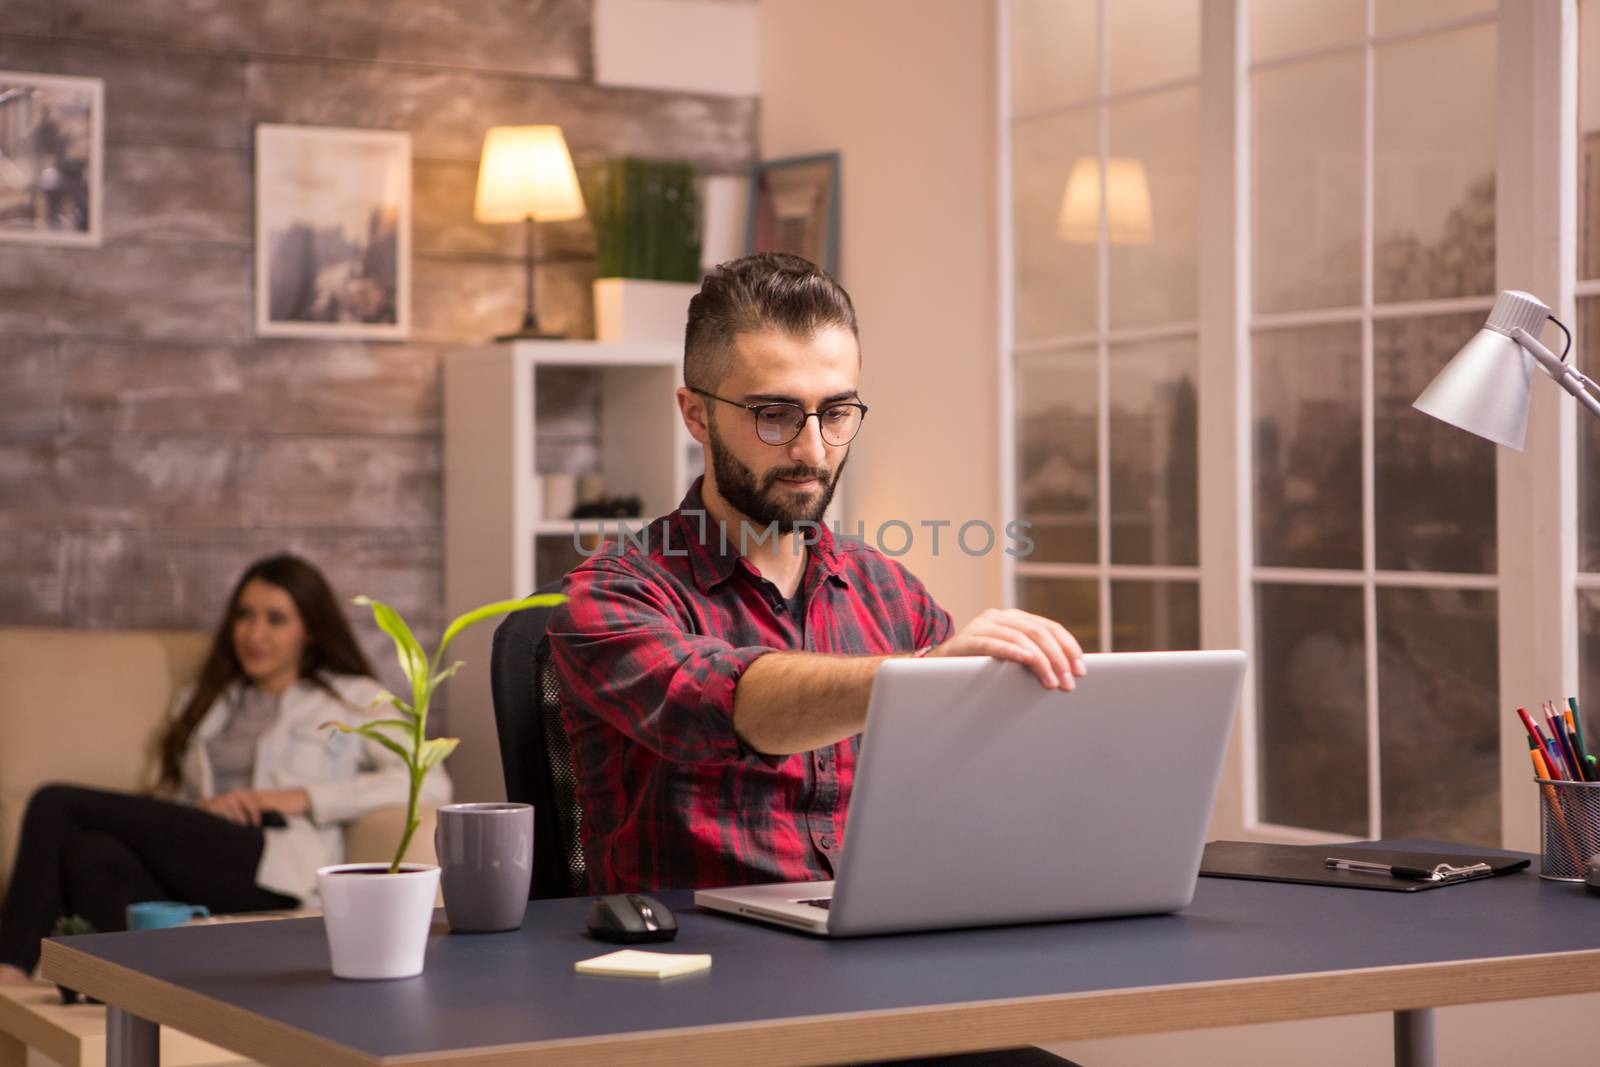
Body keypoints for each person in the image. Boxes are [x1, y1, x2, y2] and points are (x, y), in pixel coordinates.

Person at [549, 252, 1086, 896]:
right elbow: (722, 704)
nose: (812, 450)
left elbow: (963, 788)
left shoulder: (891, 595)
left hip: (881, 946)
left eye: (836, 413)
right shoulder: (613, 594)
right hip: (698, 966)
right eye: (773, 415)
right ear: (696, 414)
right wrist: (919, 677)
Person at [0, 554, 451, 983]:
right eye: (244, 616)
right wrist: (203, 810)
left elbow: (430, 779)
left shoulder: (352, 697)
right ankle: (121, 997)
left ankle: (8, 974)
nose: (255, 634)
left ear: (309, 631)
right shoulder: (207, 701)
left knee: (53, 802)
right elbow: (174, 803)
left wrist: (303, 798)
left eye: (275, 619)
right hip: (207, 854)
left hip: (274, 863)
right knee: (90, 853)